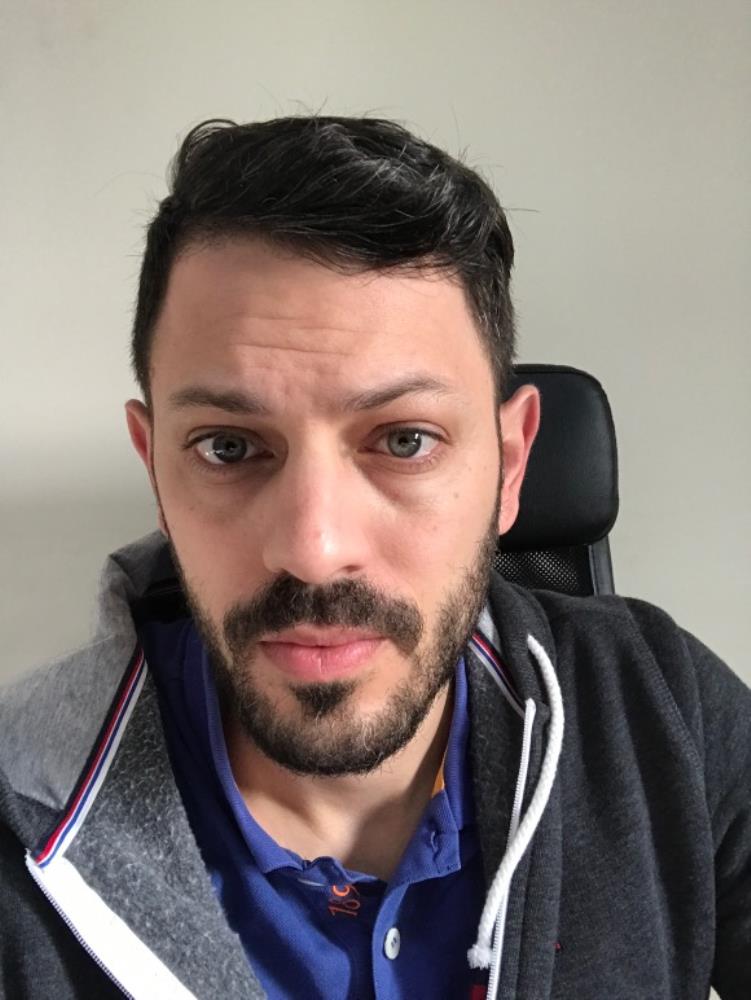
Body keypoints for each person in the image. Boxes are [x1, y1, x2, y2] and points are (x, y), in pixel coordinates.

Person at [0, 116, 748, 1000]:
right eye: (229, 448)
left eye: (403, 440)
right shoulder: (17, 811)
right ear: (156, 469)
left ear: (510, 465)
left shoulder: (659, 706)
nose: (314, 553)